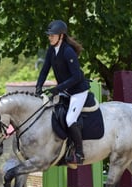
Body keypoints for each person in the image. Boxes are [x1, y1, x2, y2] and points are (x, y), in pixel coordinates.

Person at [35, 20, 90, 164]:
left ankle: (79, 153)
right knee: (53, 115)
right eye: (49, 35)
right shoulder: (51, 50)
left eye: (52, 35)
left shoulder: (68, 51)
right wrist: (38, 87)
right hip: (65, 91)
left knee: (70, 119)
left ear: (61, 36)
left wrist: (57, 89)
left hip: (78, 91)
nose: (50, 37)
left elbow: (76, 76)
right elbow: (45, 69)